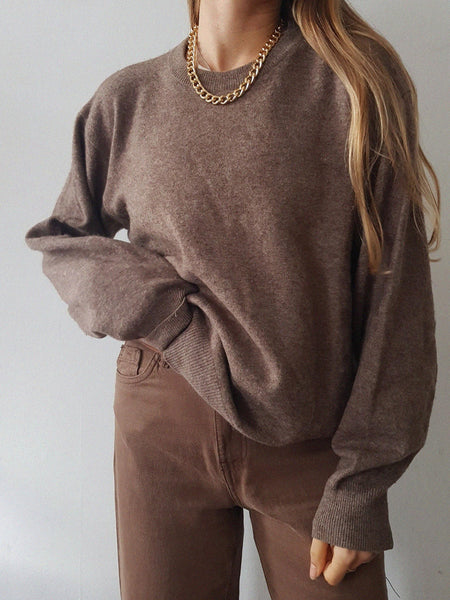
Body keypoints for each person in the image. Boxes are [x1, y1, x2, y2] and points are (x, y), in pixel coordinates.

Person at [24, 0, 440, 598]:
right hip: (160, 418)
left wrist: (362, 485)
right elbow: (61, 241)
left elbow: (398, 305)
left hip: (310, 439)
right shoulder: (129, 99)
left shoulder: (354, 83)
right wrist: (166, 313)